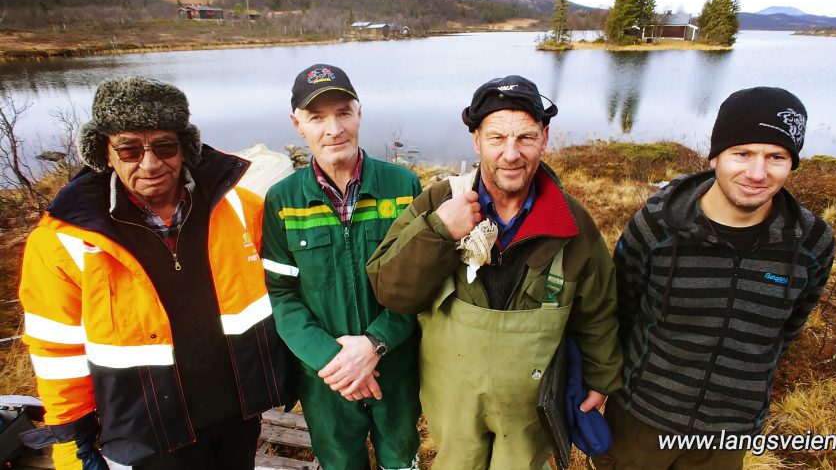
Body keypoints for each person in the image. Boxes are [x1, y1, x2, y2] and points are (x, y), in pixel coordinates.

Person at [18, 76, 291, 470]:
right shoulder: (63, 241)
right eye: (128, 148)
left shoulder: (239, 208)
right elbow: (57, 352)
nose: (150, 164)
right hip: (147, 436)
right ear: (104, 152)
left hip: (237, 414)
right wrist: (72, 441)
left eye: (165, 146)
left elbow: (283, 291)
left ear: (186, 149)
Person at [366, 75, 623, 469]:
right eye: (497, 138)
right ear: (476, 141)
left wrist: (601, 378)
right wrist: (438, 231)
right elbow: (390, 290)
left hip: (529, 408)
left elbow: (598, 310)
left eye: (525, 137)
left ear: (545, 138)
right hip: (450, 395)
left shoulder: (572, 223)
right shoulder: (437, 202)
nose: (511, 153)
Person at [595, 87, 836, 469]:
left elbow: (787, 328)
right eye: (742, 153)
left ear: (792, 163)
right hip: (642, 418)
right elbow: (619, 310)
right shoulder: (657, 226)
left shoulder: (811, 242)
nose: (757, 173)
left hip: (728, 431)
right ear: (716, 156)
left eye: (776, 157)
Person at [261, 64, 422, 470]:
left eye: (343, 113)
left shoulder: (404, 187)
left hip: (395, 370)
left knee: (400, 459)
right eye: (317, 117)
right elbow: (281, 295)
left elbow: (424, 283)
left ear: (359, 113)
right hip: (325, 381)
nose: (333, 129)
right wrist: (333, 361)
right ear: (297, 124)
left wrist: (375, 344)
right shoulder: (281, 200)